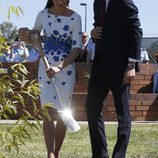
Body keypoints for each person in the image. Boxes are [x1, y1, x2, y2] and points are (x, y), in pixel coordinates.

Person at [18, 0, 82, 158]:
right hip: (45, 69)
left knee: (62, 113)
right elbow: (34, 37)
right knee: (46, 111)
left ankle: (57, 152)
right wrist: (23, 33)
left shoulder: (76, 17)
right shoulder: (43, 15)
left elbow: (77, 49)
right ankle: (50, 154)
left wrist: (59, 67)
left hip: (65, 70)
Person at [85, 0, 142, 158]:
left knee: (122, 113)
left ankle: (119, 155)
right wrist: (93, 33)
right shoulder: (97, 2)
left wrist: (131, 65)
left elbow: (136, 32)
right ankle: (100, 155)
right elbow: (100, 29)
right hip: (100, 65)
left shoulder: (123, 2)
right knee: (91, 107)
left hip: (121, 67)